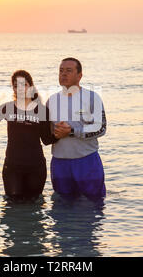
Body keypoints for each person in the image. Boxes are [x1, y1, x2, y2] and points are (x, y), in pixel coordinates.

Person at [0, 70, 57, 202]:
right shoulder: (7, 108)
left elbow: (47, 140)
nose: (19, 89)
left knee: (34, 208)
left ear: (30, 86)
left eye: (23, 85)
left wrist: (63, 134)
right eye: (15, 85)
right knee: (13, 207)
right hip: (12, 167)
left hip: (36, 167)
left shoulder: (42, 110)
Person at [47, 57, 107, 201]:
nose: (63, 74)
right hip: (60, 162)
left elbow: (101, 128)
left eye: (69, 71)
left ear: (79, 75)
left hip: (87, 161)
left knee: (93, 205)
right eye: (61, 71)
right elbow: (47, 134)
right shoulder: (51, 100)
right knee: (62, 209)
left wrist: (72, 131)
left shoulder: (92, 97)